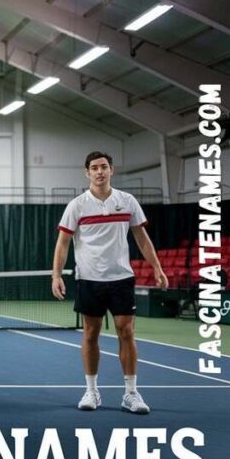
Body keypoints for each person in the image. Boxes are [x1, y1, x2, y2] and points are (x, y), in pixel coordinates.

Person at [52, 151, 167, 415]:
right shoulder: (77, 205)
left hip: (121, 278)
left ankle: (131, 393)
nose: (100, 172)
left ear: (111, 170)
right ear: (87, 172)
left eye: (104, 167)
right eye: (94, 168)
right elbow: (63, 242)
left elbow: (142, 237)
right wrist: (56, 275)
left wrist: (157, 268)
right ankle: (92, 391)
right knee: (90, 334)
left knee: (126, 333)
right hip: (89, 279)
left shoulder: (127, 201)